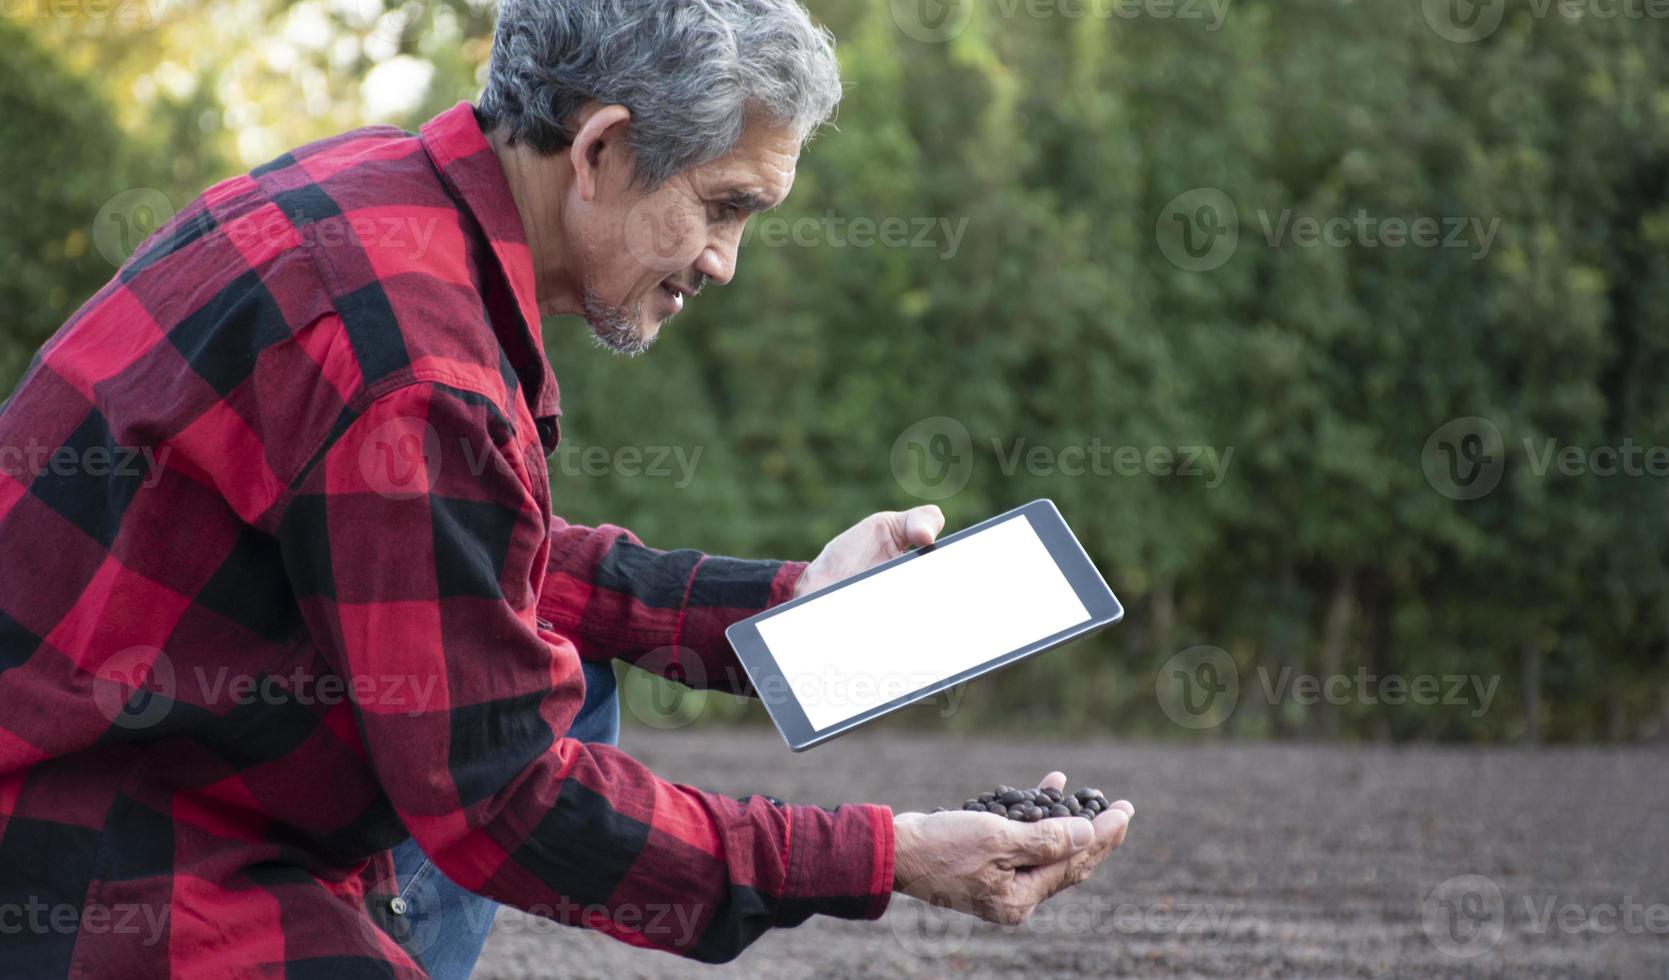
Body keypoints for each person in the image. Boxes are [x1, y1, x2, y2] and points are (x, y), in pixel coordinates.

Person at [0, 1, 1134, 976]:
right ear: (598, 151)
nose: (724, 261)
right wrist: (892, 852)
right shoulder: (413, 363)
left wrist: (796, 604)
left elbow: (477, 555)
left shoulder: (383, 195)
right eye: (725, 205)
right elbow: (505, 800)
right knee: (529, 736)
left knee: (567, 672)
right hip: (92, 844)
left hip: (149, 762)